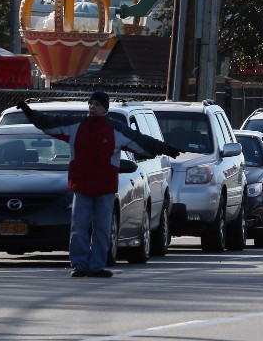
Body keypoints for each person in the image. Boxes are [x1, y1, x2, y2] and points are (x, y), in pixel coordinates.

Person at [17, 91, 179, 278]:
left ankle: (96, 266)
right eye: (90, 103)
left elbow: (140, 141)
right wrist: (30, 113)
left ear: (105, 108)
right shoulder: (75, 125)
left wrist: (164, 148)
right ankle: (79, 265)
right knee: (79, 229)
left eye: (97, 104)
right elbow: (50, 122)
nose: (92, 107)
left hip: (105, 189)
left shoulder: (115, 129)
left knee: (102, 229)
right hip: (81, 187)